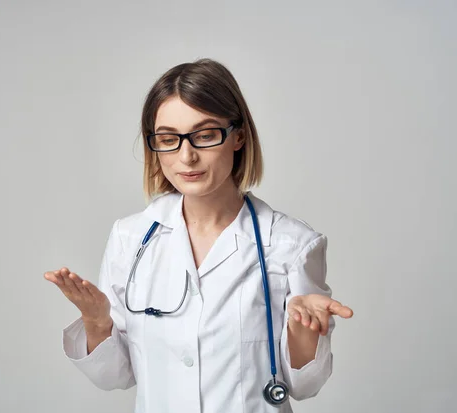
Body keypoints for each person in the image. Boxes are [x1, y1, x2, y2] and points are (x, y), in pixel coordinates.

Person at [44, 58, 354, 413]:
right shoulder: (130, 238)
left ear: (238, 136)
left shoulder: (291, 244)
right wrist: (97, 322)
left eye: (205, 135)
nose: (186, 156)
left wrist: (304, 331)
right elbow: (114, 377)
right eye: (168, 139)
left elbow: (305, 386)